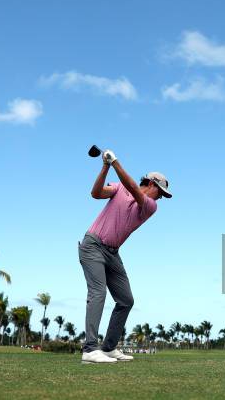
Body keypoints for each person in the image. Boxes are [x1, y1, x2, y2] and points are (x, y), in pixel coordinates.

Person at [79, 149, 171, 364]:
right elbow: (95, 193)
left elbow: (132, 188)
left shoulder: (150, 206)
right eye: (161, 192)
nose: (161, 198)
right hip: (92, 246)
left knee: (125, 300)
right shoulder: (119, 188)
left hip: (112, 253)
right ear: (151, 184)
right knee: (98, 293)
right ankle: (90, 349)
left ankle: (108, 348)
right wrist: (105, 166)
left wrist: (115, 162)